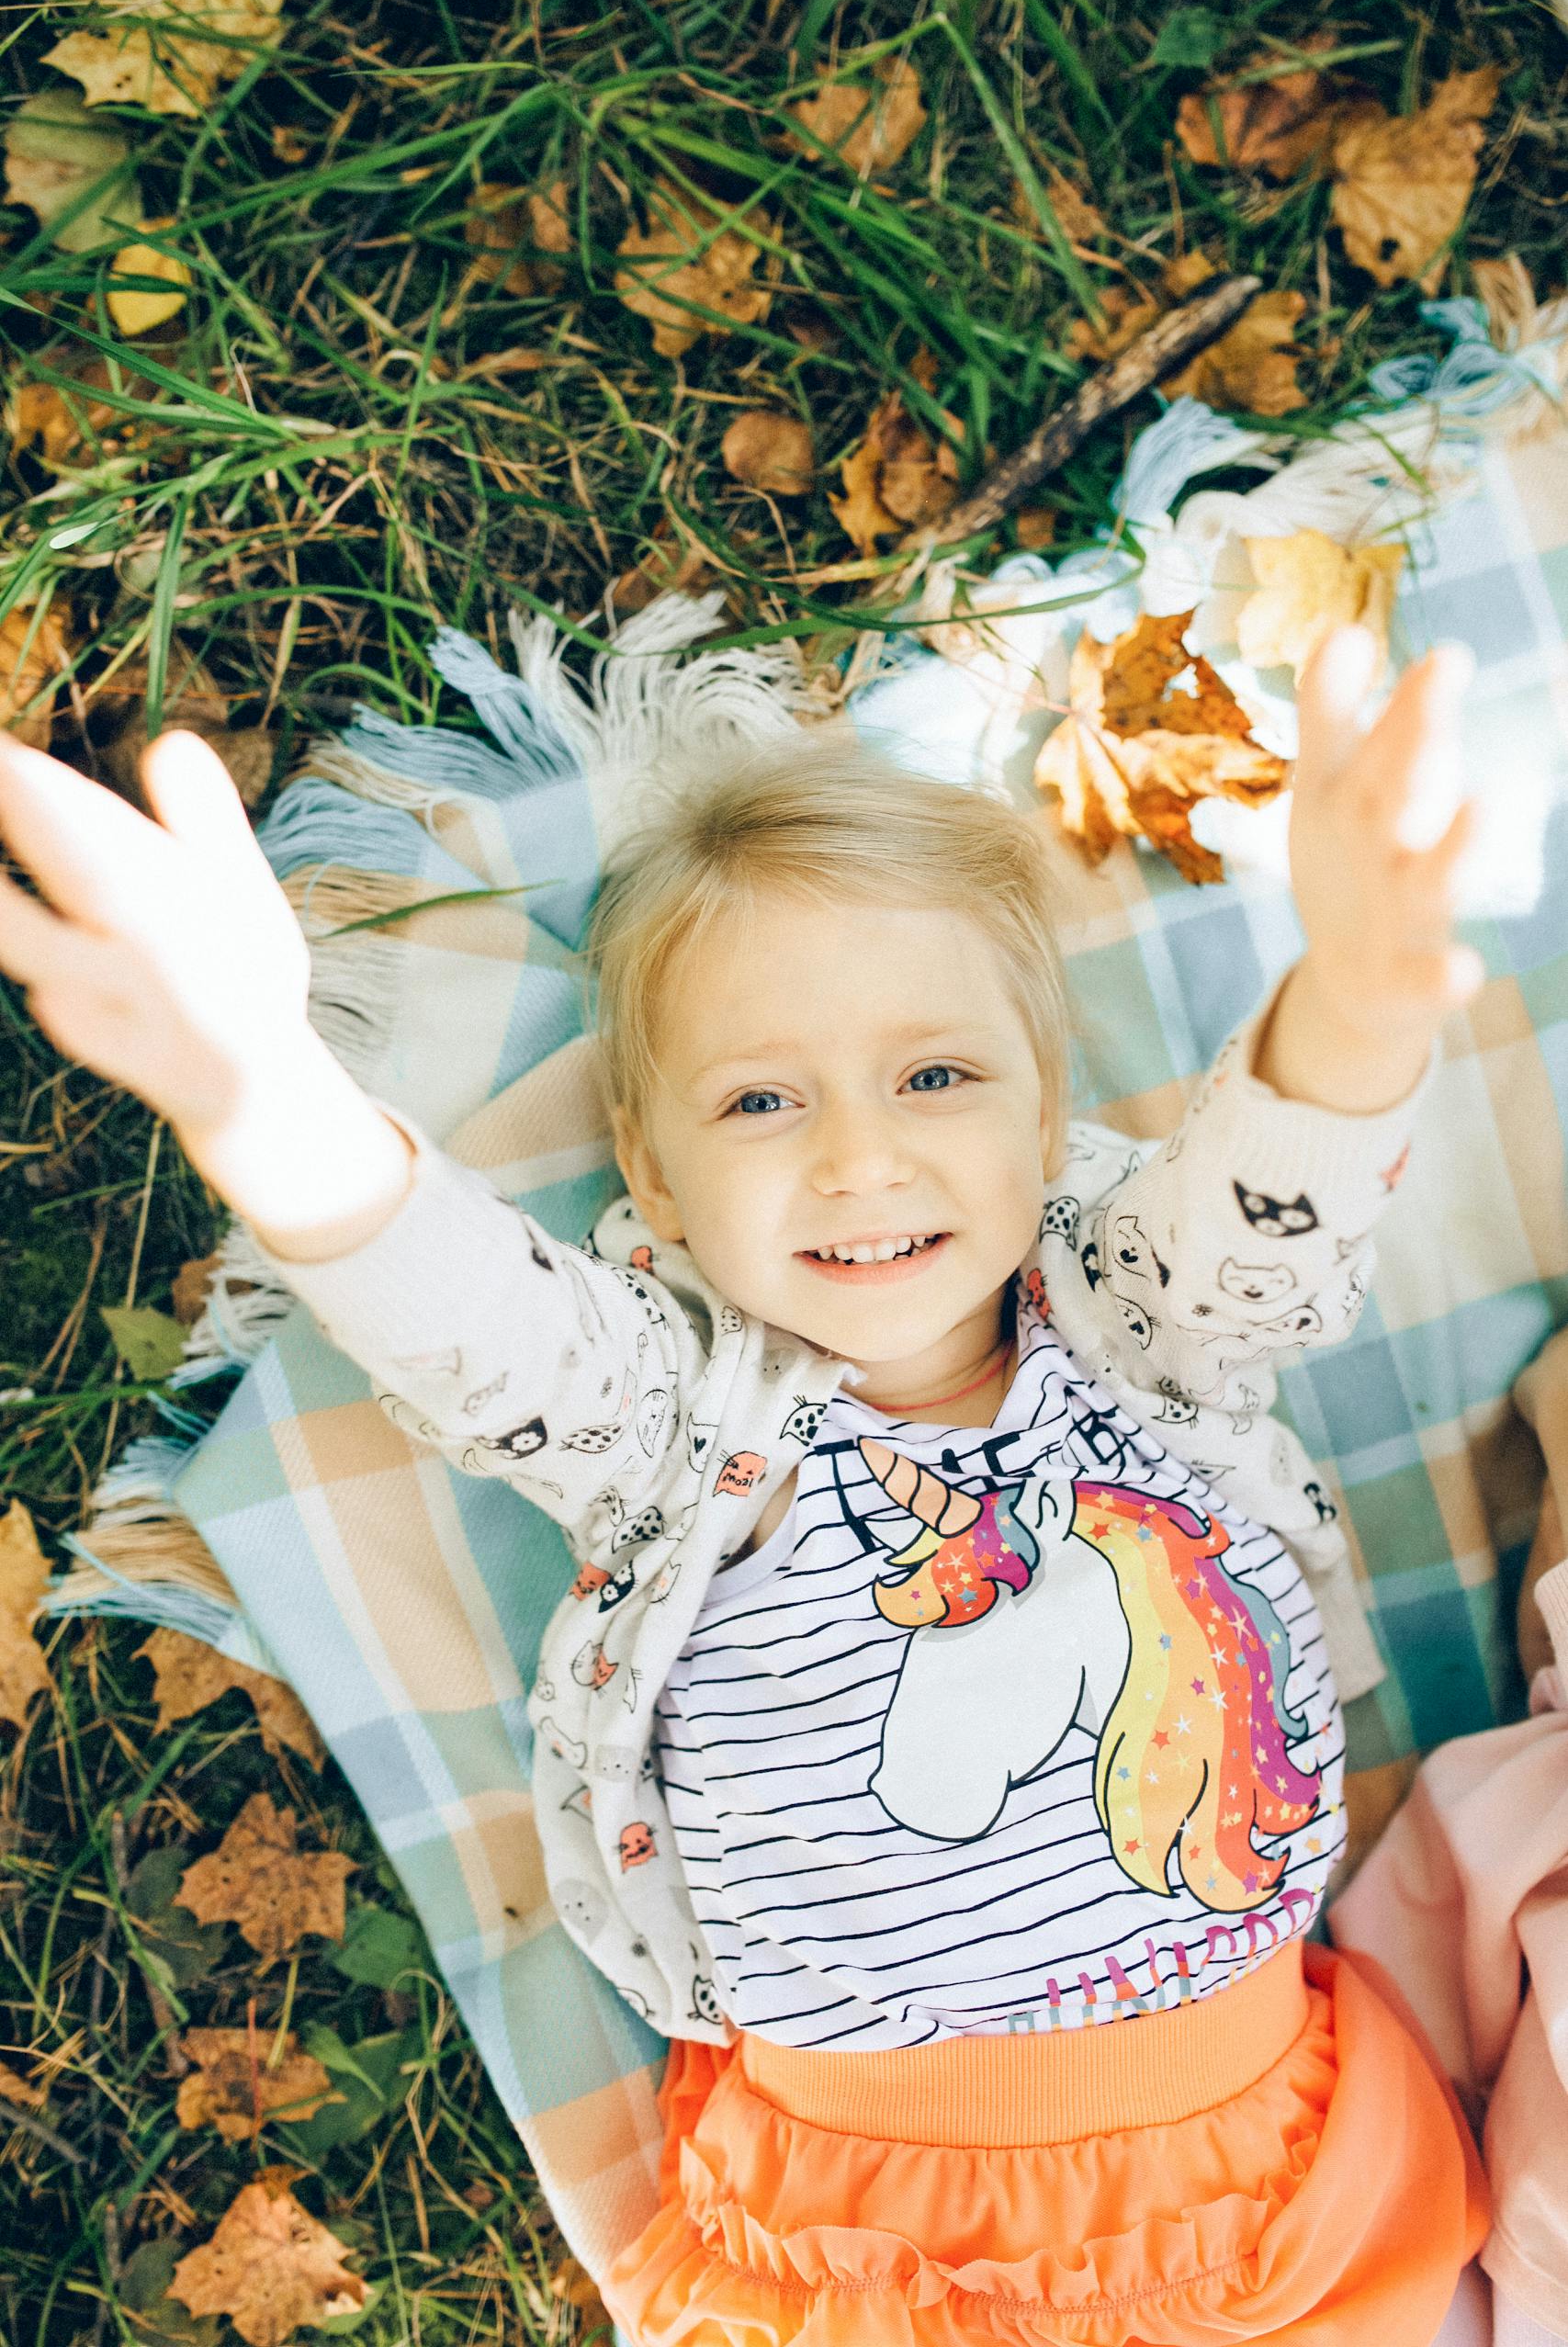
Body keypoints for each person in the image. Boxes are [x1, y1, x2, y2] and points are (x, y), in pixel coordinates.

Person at [0, 625, 1494, 2343]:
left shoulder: (1138, 1325)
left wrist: (1362, 997)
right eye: (763, 1099)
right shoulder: (672, 1418)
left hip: (1279, 2176)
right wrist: (267, 1097)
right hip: (870, 2231)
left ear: (1043, 1108)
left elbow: (1270, 1210)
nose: (863, 1155)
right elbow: (465, 1316)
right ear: (655, 1167)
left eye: (936, 1075)